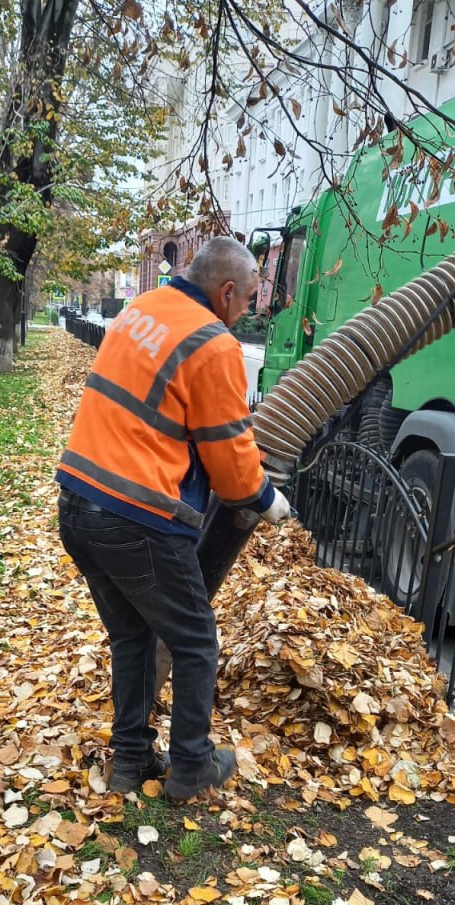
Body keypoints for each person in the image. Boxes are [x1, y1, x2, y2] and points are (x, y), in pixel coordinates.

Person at [56, 237, 291, 802]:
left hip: (77, 504)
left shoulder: (141, 310)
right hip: (135, 517)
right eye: (251, 298)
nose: (252, 310)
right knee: (196, 641)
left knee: (132, 637)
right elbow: (231, 459)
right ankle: (191, 768)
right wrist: (266, 501)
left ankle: (131, 763)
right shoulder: (213, 343)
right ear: (227, 290)